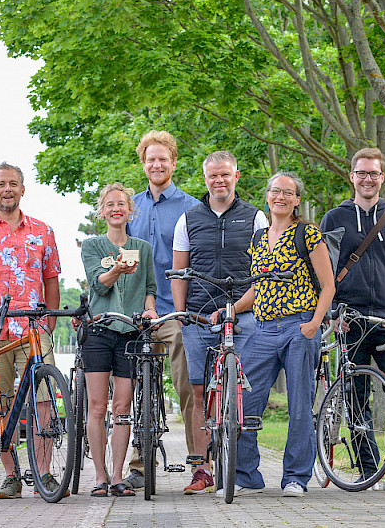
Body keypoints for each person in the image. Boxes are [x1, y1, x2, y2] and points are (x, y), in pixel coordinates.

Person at [321, 147, 385, 490]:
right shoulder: (333, 219)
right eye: (362, 173)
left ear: (382, 178)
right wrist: (334, 311)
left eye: (374, 174)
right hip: (349, 321)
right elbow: (322, 272)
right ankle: (368, 469)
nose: (368, 179)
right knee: (356, 396)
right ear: (352, 176)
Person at [231, 172, 335, 497]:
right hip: (262, 329)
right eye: (276, 191)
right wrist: (231, 310)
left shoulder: (308, 233)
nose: (281, 197)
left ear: (297, 200)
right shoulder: (258, 238)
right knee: (245, 402)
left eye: (288, 193)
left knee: (300, 405)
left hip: (299, 326)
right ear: (267, 196)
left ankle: (295, 478)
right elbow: (257, 289)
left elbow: (329, 285)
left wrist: (315, 323)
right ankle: (246, 475)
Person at [171, 151, 268, 494]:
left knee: (240, 392)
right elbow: (179, 272)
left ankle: (242, 470)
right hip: (198, 316)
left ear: (236, 176)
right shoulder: (188, 219)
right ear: (205, 179)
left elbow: (264, 277)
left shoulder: (256, 218)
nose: (219, 181)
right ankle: (202, 470)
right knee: (199, 393)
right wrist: (183, 315)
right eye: (213, 176)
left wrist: (238, 306)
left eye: (225, 175)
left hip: (243, 315)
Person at [0, 162, 63, 499]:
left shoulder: (43, 230)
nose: (7, 189)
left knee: (43, 403)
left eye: (13, 183)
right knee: (1, 403)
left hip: (33, 331)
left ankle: (45, 474)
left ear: (23, 189)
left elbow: (51, 279)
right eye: (1, 184)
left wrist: (49, 323)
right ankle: (11, 477)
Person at [124, 130, 199, 489]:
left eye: (163, 159)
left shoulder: (190, 206)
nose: (156, 164)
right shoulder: (130, 208)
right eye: (150, 159)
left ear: (173, 162)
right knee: (137, 386)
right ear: (143, 163)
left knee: (189, 387)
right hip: (137, 313)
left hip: (175, 311)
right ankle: (139, 463)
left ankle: (201, 462)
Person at [81, 183, 156, 498]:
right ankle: (99, 475)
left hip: (131, 333)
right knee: (97, 407)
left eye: (121, 204)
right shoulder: (93, 245)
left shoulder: (143, 246)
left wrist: (150, 309)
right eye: (110, 204)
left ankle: (117, 476)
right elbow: (98, 285)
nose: (116, 209)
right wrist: (117, 270)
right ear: (103, 211)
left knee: (123, 407)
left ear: (130, 210)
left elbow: (150, 285)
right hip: (99, 331)